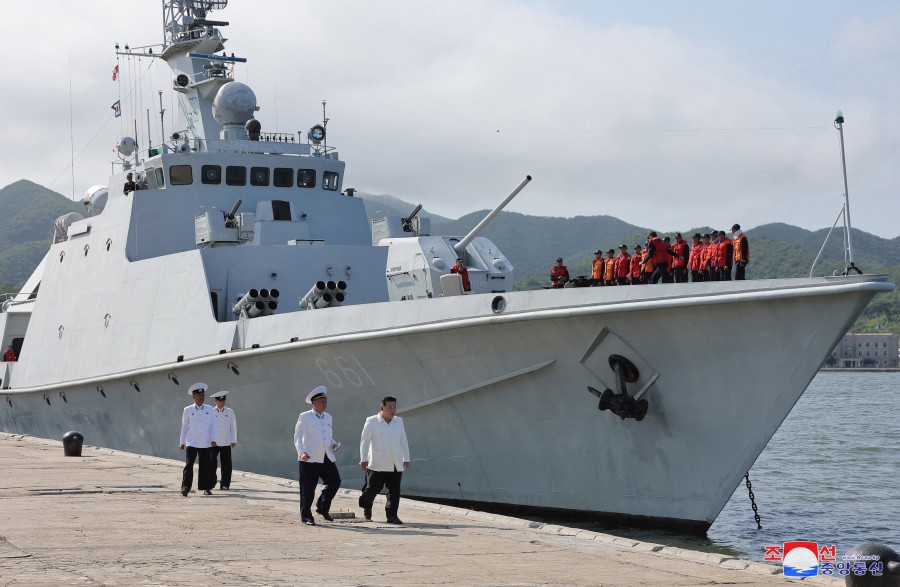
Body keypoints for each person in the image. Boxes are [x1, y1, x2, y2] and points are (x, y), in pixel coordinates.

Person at [358, 396, 411, 524]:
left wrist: (406, 457)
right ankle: (366, 504)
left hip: (395, 462)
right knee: (373, 488)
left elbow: (403, 439)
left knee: (394, 491)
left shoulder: (398, 421)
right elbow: (365, 441)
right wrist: (363, 458)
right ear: (382, 408)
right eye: (389, 407)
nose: (393, 410)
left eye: (394, 407)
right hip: (377, 462)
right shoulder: (372, 421)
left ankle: (392, 515)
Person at [294, 385, 341, 526]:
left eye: (326, 401)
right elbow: (297, 437)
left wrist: (333, 444)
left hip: (326, 456)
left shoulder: (328, 417)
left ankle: (322, 507)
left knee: (335, 482)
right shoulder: (305, 416)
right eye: (321, 402)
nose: (324, 404)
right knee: (308, 489)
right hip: (310, 457)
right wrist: (301, 452)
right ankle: (306, 516)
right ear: (314, 403)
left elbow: (327, 436)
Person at [179, 382, 217, 496]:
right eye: (199, 395)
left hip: (205, 442)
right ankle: (185, 487)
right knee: (189, 465)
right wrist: (182, 442)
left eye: (203, 395)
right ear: (193, 396)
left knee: (205, 466)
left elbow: (213, 426)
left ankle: (206, 487)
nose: (201, 397)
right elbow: (184, 426)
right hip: (192, 441)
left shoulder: (210, 409)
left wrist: (213, 439)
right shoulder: (188, 410)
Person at [210, 390, 237, 490]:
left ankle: (225, 484)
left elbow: (233, 427)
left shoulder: (230, 412)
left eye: (223, 401)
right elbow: (209, 427)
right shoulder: (211, 411)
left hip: (226, 441)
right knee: (212, 463)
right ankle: (212, 482)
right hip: (214, 442)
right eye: (220, 401)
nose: (222, 403)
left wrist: (233, 440)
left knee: (226, 464)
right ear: (216, 401)